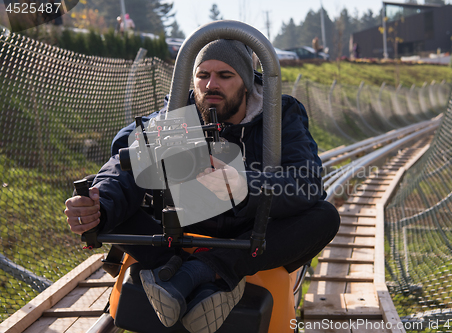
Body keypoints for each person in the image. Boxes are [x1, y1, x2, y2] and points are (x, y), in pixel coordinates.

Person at [64, 39, 340, 333]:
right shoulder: (173, 118)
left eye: (225, 75)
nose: (211, 85)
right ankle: (185, 269)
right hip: (181, 228)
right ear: (192, 78)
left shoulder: (281, 114)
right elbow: (122, 169)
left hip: (251, 230)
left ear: (246, 83)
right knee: (108, 200)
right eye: (203, 75)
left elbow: (306, 182)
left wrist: (244, 186)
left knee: (324, 216)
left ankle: (198, 272)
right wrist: (97, 206)